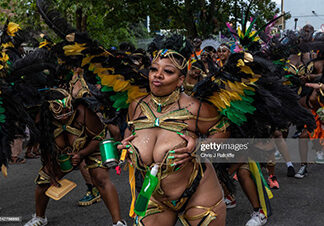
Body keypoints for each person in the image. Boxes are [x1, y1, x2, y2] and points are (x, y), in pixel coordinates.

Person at [118, 35, 227, 225]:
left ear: (180, 80)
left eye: (168, 71)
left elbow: (223, 132)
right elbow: (130, 129)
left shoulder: (196, 108)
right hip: (155, 197)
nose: (157, 75)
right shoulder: (136, 105)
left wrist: (199, 148)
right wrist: (126, 147)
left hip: (200, 194)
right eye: (153, 69)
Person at [24, 88, 126, 226]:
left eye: (68, 110)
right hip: (64, 155)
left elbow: (99, 136)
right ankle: (39, 217)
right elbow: (46, 149)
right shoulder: (44, 121)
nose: (66, 115)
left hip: (91, 146)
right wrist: (52, 173)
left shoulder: (82, 112)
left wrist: (82, 153)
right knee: (44, 181)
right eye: (61, 112)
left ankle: (118, 222)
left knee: (101, 178)